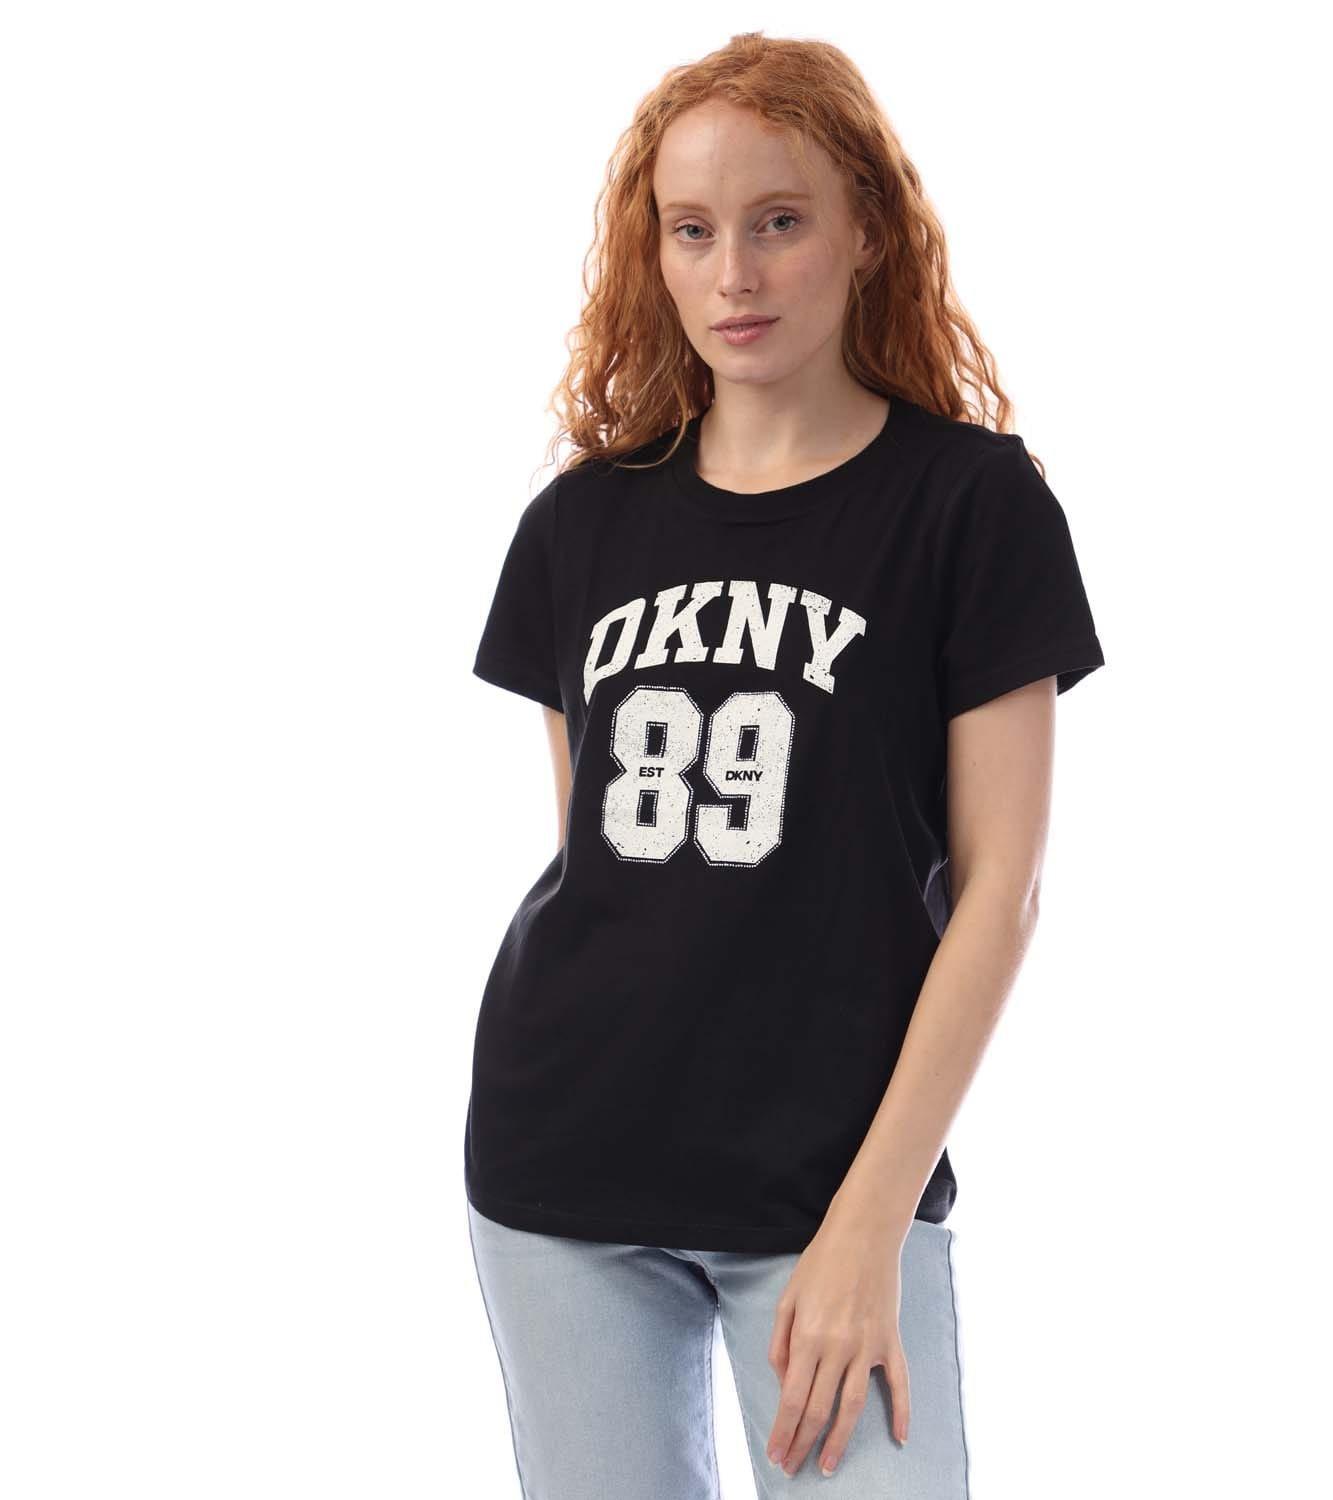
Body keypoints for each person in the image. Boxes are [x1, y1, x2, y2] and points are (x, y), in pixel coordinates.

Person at [463, 31, 1105, 1498]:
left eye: (779, 221)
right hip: (566, 1164)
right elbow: (599, 862)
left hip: (831, 1184)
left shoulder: (971, 505)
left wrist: (875, 1218)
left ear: (867, 230)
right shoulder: (579, 526)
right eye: (692, 231)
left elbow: (1002, 890)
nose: (734, 274)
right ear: (655, 254)